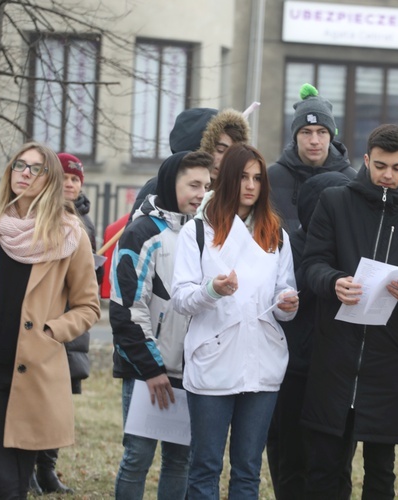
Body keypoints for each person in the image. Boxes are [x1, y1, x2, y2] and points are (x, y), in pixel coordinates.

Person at [0, 142, 101, 499]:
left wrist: (51, 331)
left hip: (36, 373)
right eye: (20, 165)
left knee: (17, 481)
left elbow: (88, 306)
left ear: (51, 179)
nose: (25, 174)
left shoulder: (70, 234)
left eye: (37, 168)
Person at [300, 124, 398, 499]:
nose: (388, 176)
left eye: (396, 168)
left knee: (381, 471)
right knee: (326, 466)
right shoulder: (334, 202)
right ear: (365, 160)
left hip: (389, 360)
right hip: (335, 355)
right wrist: (334, 282)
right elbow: (312, 264)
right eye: (380, 166)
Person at [171, 143, 298, 499]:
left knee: (247, 470)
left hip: (263, 362)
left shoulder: (276, 234)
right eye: (243, 176)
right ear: (227, 178)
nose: (251, 185)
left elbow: (284, 292)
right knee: (205, 467)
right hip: (213, 361)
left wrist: (288, 304)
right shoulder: (197, 232)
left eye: (258, 178)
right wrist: (212, 289)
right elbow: (181, 298)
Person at [110, 150, 213, 499]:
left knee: (180, 460)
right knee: (138, 456)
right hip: (146, 369)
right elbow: (127, 308)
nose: (201, 193)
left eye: (207, 185)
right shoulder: (142, 233)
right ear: (172, 184)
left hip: (190, 372)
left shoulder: (205, 234)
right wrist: (151, 367)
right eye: (193, 184)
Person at [265, 171, 351, 499]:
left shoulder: (349, 246)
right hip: (295, 370)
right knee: (292, 456)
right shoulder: (289, 246)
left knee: (337, 460)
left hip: (337, 370)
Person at [27, 152, 102, 495]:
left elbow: (85, 285)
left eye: (76, 179)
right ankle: (28, 466)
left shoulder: (84, 222)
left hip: (72, 325)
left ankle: (47, 468)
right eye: (66, 178)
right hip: (45, 319)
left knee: (59, 401)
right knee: (35, 400)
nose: (71, 184)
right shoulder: (42, 218)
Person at [268, 83, 355, 231]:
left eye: (322, 132)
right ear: (295, 136)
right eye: (306, 132)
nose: (314, 141)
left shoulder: (351, 181)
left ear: (331, 136)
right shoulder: (271, 177)